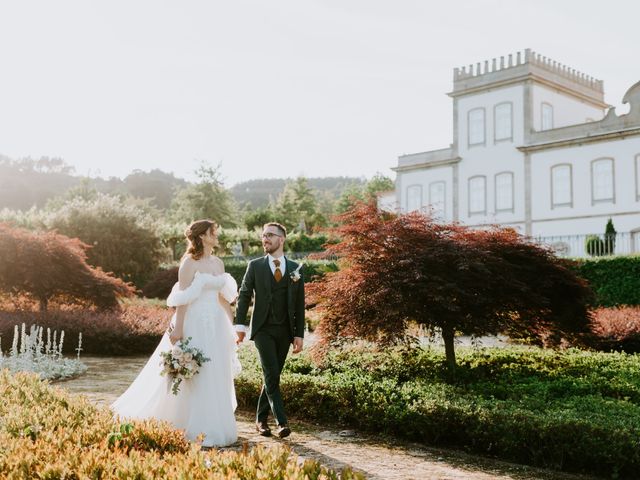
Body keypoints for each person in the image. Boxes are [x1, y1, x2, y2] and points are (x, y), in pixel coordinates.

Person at [111, 219, 240, 447]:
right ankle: (195, 424)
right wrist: (179, 328)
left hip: (216, 324)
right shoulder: (189, 264)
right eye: (213, 232)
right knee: (197, 372)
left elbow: (222, 298)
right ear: (202, 236)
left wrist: (233, 326)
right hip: (195, 323)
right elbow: (182, 301)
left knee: (217, 371)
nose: (217, 235)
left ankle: (216, 423)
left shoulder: (219, 263)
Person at [234, 222, 305, 438]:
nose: (265, 239)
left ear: (281, 239)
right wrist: (239, 325)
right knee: (271, 373)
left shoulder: (295, 268)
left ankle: (260, 419)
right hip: (262, 329)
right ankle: (281, 422)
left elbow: (300, 303)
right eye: (263, 235)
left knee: (272, 376)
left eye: (270, 235)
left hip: (285, 330)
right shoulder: (254, 266)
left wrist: (299, 334)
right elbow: (244, 295)